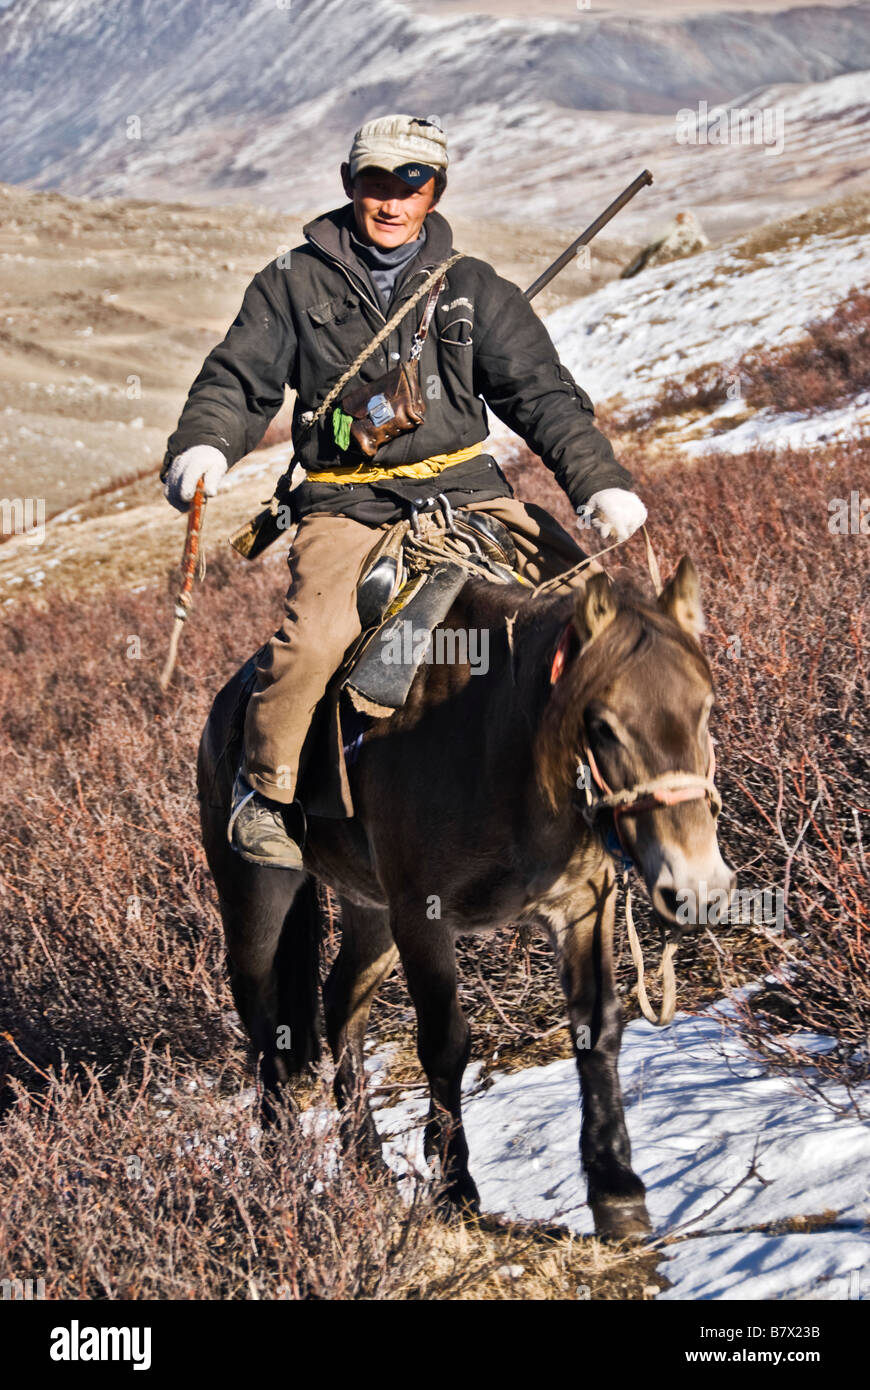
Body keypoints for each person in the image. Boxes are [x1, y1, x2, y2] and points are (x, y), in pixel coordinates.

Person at [161, 113, 647, 869]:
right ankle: (267, 796)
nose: (391, 202)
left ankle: (625, 795)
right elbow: (237, 379)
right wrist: (203, 442)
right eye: (374, 184)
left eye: (409, 184)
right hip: (346, 505)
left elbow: (544, 396)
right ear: (350, 187)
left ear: (435, 190)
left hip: (470, 494)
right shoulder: (290, 282)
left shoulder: (477, 289)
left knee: (598, 618)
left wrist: (599, 483)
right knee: (313, 641)